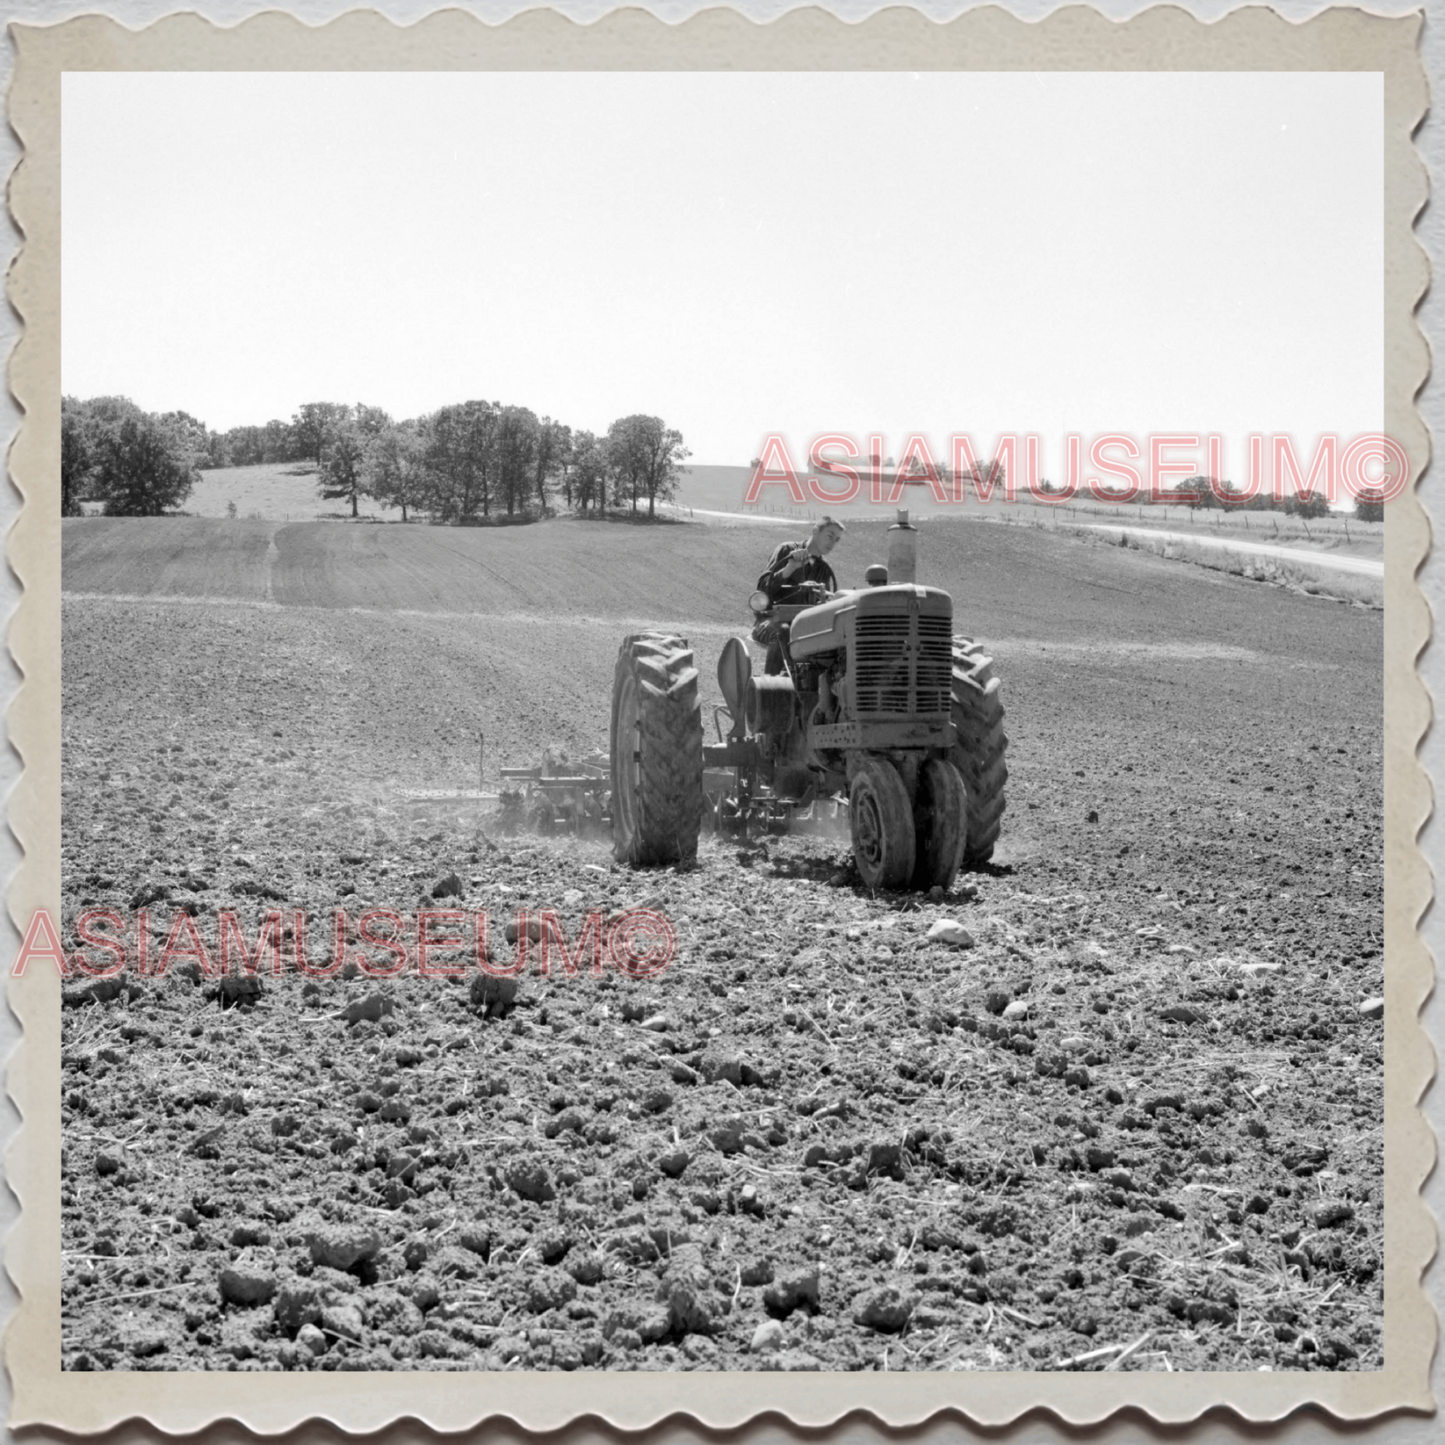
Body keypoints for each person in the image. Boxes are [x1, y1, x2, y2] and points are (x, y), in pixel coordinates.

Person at [751, 516, 846, 674]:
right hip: (770, 621)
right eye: (830, 536)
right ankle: (771, 690)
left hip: (804, 625)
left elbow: (824, 605)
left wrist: (826, 597)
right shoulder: (786, 550)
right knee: (784, 631)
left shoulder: (824, 568)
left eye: (837, 540)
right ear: (815, 532)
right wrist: (790, 568)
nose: (833, 543)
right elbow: (762, 590)